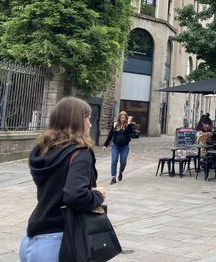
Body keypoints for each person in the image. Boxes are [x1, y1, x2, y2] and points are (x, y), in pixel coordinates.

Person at [19, 97, 106, 262]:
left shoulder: (42, 150)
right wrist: (98, 195)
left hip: (32, 238)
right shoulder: (80, 153)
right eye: (87, 118)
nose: (90, 123)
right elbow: (75, 196)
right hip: (59, 240)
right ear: (77, 122)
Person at [103, 111, 137, 184]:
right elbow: (110, 135)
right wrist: (105, 144)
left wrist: (129, 124)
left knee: (123, 162)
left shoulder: (128, 125)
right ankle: (113, 178)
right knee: (114, 161)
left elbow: (130, 133)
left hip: (125, 146)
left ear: (126, 118)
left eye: (124, 117)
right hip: (115, 146)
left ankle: (120, 172)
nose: (122, 119)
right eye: (121, 117)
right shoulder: (115, 124)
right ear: (119, 117)